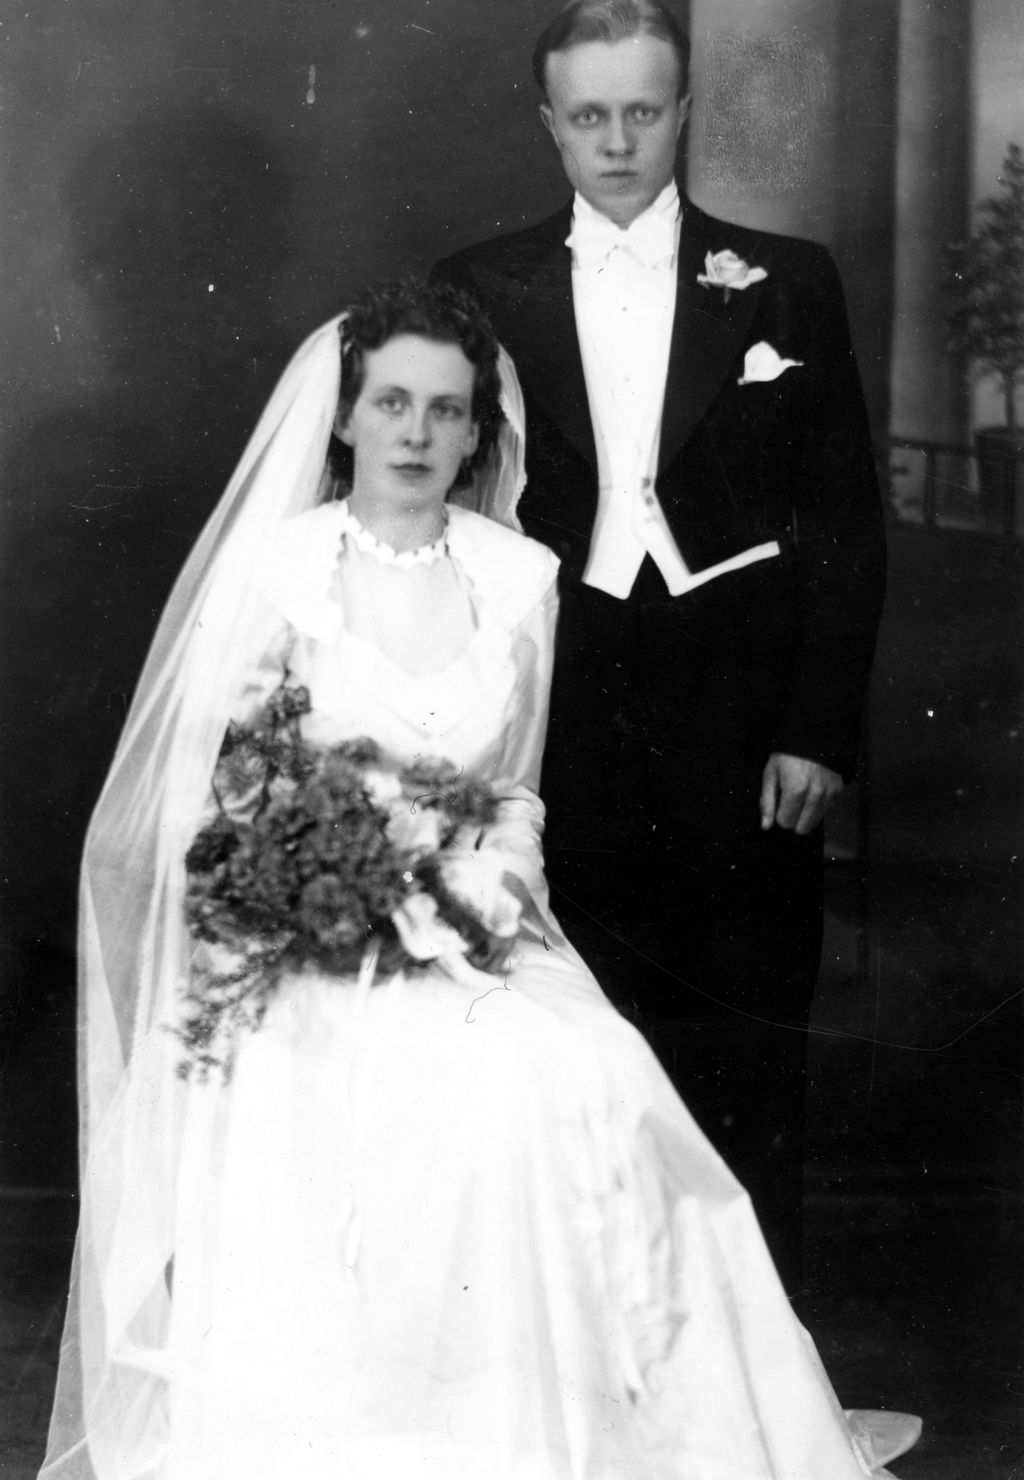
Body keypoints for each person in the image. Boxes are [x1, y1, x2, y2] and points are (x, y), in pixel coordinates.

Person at [37, 280, 917, 1480]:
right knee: (446, 1090)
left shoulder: (516, 576)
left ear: (474, 433)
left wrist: (497, 883)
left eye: (445, 411)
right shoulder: (279, 572)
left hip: (479, 931)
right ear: (345, 416)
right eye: (391, 403)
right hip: (310, 944)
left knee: (588, 1069)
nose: (415, 433)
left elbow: (512, 788)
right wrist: (330, 890)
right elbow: (226, 794)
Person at [430, 0, 887, 1285]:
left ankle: (753, 1346)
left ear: (684, 111)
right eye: (590, 116)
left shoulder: (786, 280)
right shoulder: (480, 286)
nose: (618, 141)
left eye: (642, 110)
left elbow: (844, 524)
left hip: (741, 719)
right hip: (560, 711)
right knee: (571, 1036)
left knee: (746, 1035)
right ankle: (600, 1341)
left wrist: (817, 730)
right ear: (550, 125)